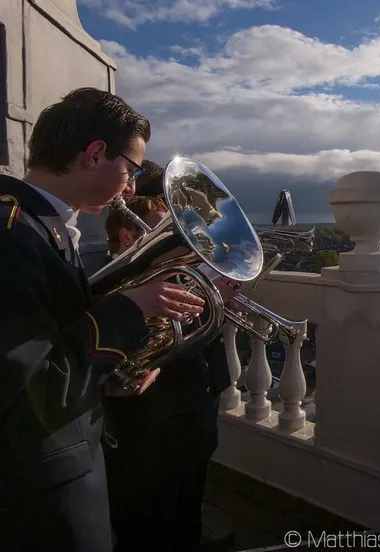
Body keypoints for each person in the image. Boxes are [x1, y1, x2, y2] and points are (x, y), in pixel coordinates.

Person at [0, 88, 206, 551]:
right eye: (130, 170)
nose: (130, 187)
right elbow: (27, 388)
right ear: (94, 154)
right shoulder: (11, 235)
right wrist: (130, 309)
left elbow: (58, 347)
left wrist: (108, 376)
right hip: (37, 497)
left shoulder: (44, 228)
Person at [102, 174, 237, 552]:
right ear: (129, 237)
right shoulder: (109, 279)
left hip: (194, 403)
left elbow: (192, 335)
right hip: (152, 419)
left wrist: (215, 305)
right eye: (166, 228)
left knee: (189, 499)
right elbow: (139, 342)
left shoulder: (175, 276)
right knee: (148, 518)